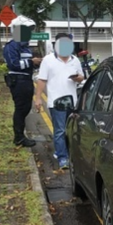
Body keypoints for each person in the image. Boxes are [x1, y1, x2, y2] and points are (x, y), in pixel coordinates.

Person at [34, 33, 84, 169]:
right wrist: (38, 98)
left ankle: (68, 153)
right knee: (60, 130)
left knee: (71, 130)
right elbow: (42, 80)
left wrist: (78, 78)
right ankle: (63, 158)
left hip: (72, 101)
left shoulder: (75, 60)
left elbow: (82, 77)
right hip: (56, 102)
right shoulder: (48, 60)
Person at [4, 24, 42, 147]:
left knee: (26, 108)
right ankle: (19, 137)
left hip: (26, 80)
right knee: (21, 108)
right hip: (18, 81)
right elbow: (14, 64)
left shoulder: (26, 47)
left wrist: (37, 63)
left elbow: (28, 64)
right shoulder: (11, 46)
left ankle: (20, 135)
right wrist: (31, 62)